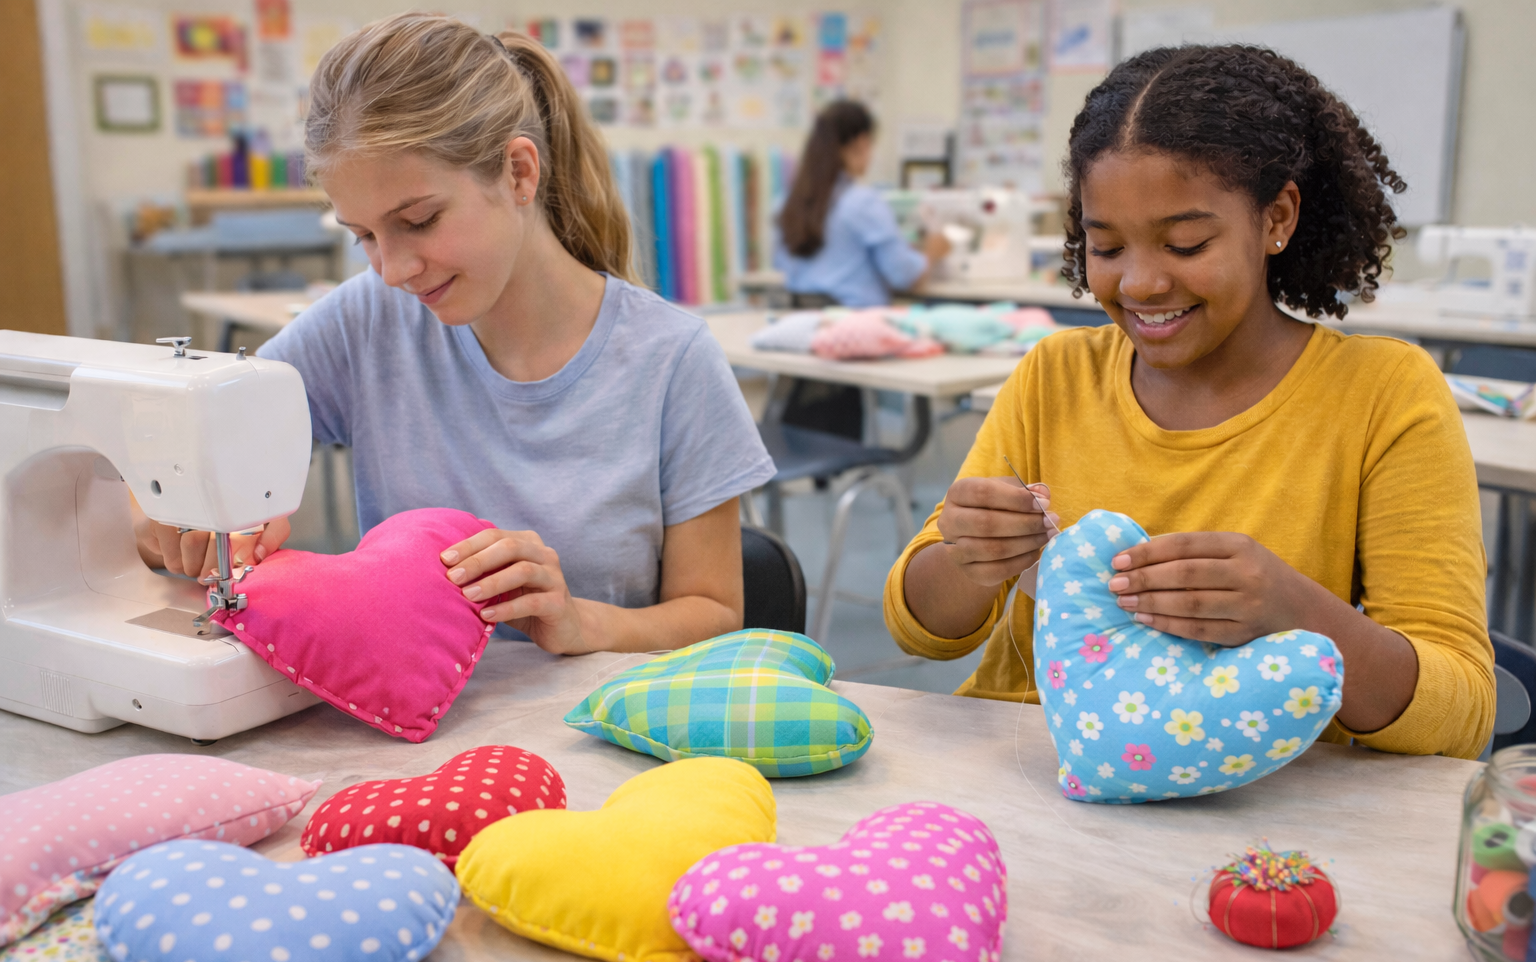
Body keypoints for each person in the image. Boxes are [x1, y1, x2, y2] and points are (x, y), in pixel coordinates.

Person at [884, 45, 1494, 759]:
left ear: (1278, 218)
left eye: (1186, 243)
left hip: (1254, 793)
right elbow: (920, 630)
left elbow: (1460, 717)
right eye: (1105, 248)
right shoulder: (1055, 375)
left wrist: (1294, 611)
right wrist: (968, 557)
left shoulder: (1381, 396)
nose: (1140, 283)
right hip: (1041, 771)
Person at [133, 13, 776, 656]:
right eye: (363, 237)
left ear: (520, 174)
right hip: (414, 724)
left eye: (418, 220)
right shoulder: (365, 323)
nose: (391, 270)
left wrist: (580, 623)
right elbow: (178, 462)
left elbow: (715, 615)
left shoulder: (673, 361)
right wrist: (178, 510)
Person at [775, 100, 950, 308]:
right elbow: (905, 276)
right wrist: (932, 251)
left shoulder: (785, 203)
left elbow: (782, 264)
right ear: (862, 142)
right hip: (854, 326)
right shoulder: (863, 202)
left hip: (804, 327)